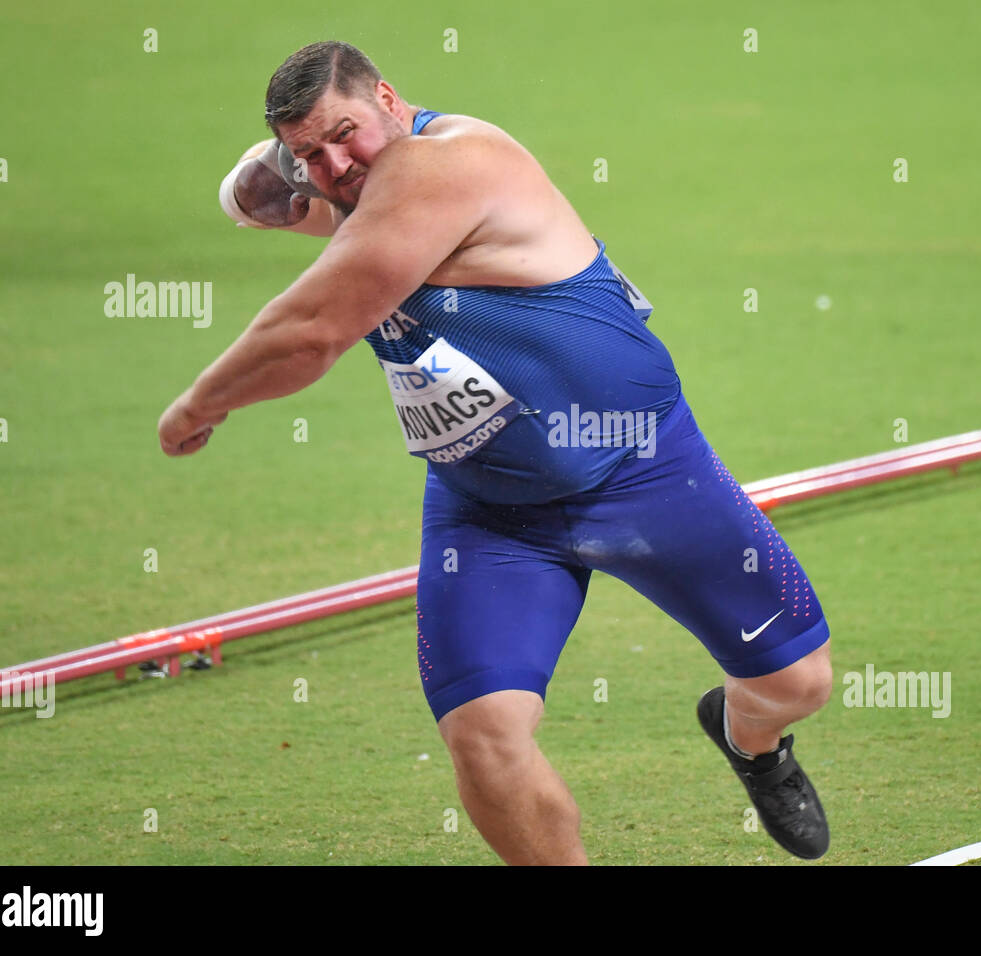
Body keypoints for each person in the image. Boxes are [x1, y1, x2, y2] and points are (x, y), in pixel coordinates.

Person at [159, 40, 834, 865]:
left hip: (642, 469)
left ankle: (751, 742)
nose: (337, 164)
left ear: (389, 99)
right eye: (312, 153)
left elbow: (309, 333)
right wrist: (254, 186)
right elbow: (270, 199)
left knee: (797, 684)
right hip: (488, 511)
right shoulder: (354, 187)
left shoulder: (447, 165)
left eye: (347, 133)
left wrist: (199, 404)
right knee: (484, 739)